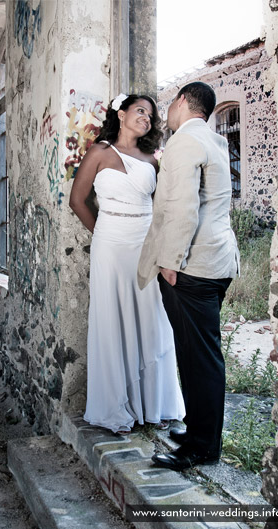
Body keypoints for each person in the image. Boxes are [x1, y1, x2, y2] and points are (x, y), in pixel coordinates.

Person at [70, 93, 185, 435]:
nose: (146, 118)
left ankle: (155, 405)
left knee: (152, 321)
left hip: (145, 245)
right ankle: (116, 407)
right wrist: (103, 232)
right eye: (139, 111)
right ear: (121, 114)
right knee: (112, 318)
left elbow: (161, 207)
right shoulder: (99, 152)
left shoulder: (152, 159)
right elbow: (78, 201)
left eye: (150, 115)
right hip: (110, 245)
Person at [139, 82, 240, 471]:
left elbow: (183, 209)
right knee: (198, 354)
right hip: (217, 261)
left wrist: (170, 261)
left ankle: (201, 446)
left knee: (199, 358)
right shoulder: (214, 141)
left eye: (169, 103)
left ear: (182, 101)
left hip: (191, 266)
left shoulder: (183, 141)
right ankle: (200, 429)